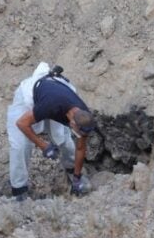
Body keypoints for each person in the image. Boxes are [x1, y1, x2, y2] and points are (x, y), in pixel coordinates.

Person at [6, 62, 97, 201]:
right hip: (29, 97)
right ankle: (19, 191)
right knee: (20, 145)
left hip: (55, 92)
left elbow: (80, 146)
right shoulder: (50, 106)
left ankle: (74, 175)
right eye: (79, 132)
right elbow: (22, 123)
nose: (81, 136)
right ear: (72, 122)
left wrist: (77, 177)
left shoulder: (83, 116)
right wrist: (43, 145)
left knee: (63, 140)